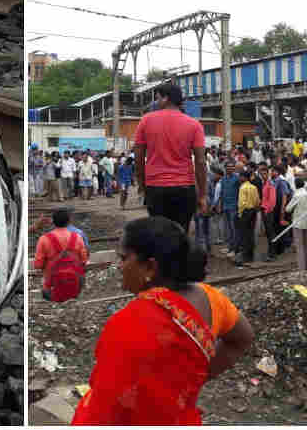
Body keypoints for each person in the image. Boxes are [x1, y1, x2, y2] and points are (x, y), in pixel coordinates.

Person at [71, 217, 254, 425]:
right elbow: (242, 338)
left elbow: (105, 402)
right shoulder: (211, 298)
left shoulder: (128, 322)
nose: (119, 266)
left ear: (150, 267)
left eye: (123, 258)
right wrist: (193, 383)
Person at [133, 83, 208, 232]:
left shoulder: (145, 121)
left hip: (155, 188)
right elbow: (200, 161)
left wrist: (142, 186)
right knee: (180, 232)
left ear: (166, 99)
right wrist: (202, 195)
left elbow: (139, 158)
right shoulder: (194, 125)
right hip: (184, 189)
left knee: (158, 234)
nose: (156, 102)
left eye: (158, 98)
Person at [33, 209, 89, 300]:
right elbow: (84, 261)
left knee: (46, 287)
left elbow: (38, 265)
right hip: (75, 287)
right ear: (69, 221)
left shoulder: (44, 239)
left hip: (52, 288)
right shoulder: (77, 237)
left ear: (53, 222)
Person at [286, 177, 307, 270]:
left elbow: (288, 209)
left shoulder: (296, 195)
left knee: (300, 246)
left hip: (298, 223)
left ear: (295, 185)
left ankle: (301, 268)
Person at [236, 170, 260, 266]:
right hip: (253, 211)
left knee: (244, 234)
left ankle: (244, 257)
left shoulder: (242, 187)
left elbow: (241, 203)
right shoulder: (254, 187)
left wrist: (240, 213)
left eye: (240, 176)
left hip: (245, 211)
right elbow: (257, 201)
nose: (239, 178)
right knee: (250, 233)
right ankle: (250, 255)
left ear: (244, 177)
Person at [219, 162, 241, 255]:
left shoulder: (237, 178)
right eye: (228, 167)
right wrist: (220, 205)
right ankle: (229, 247)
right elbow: (222, 192)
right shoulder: (223, 179)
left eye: (232, 167)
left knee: (234, 229)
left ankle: (235, 249)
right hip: (225, 206)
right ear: (225, 168)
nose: (230, 168)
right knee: (228, 229)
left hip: (234, 207)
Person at [259, 165, 278, 261]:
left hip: (268, 211)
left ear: (268, 173)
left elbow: (272, 200)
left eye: (265, 174)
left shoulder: (270, 183)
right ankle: (270, 252)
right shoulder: (264, 183)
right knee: (268, 232)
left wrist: (267, 210)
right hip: (264, 210)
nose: (263, 175)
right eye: (261, 174)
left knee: (270, 232)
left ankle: (272, 253)